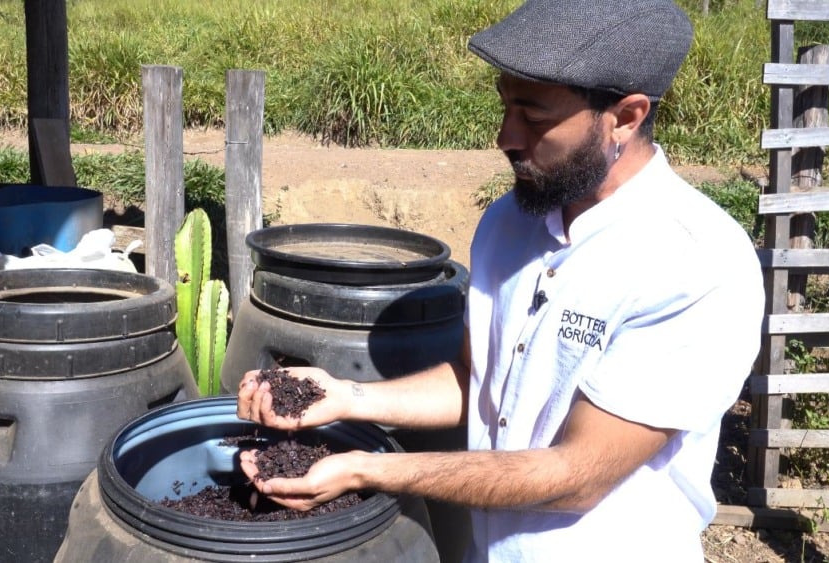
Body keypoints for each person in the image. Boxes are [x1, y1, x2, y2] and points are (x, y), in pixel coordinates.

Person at [236, 0, 765, 560]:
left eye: (534, 118)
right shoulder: (508, 223)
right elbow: (477, 382)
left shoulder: (695, 262)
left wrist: (367, 469)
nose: (505, 136)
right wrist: (346, 396)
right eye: (505, 106)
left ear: (626, 117)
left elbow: (576, 476)